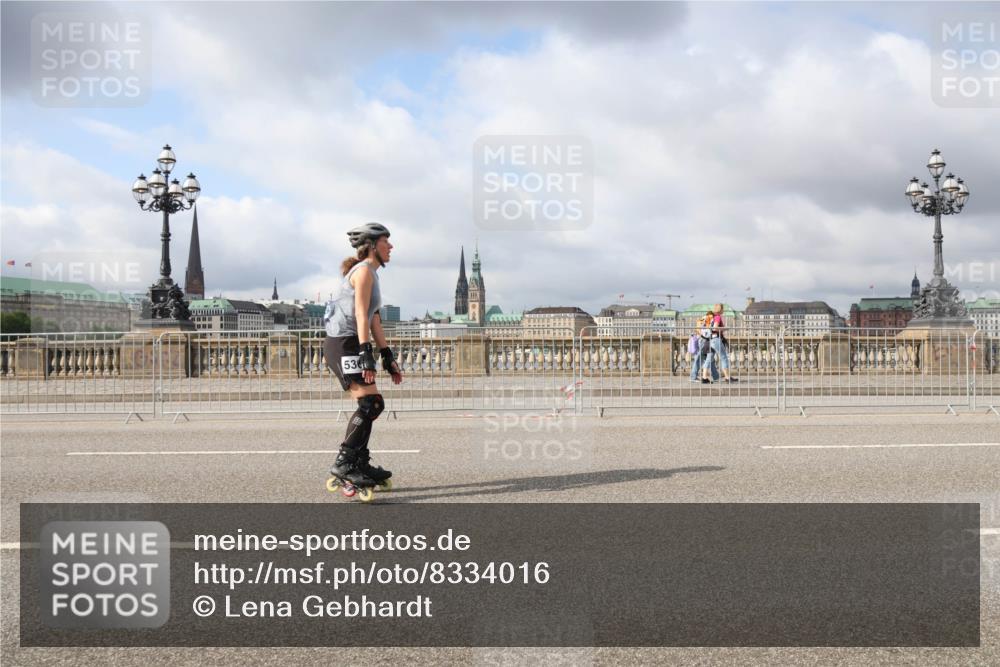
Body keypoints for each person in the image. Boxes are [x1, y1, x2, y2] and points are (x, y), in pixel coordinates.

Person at [324, 222, 403, 498]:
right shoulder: (364, 272)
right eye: (386, 242)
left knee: (373, 405)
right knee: (370, 403)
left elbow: (374, 319)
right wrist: (364, 352)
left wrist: (386, 355)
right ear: (372, 246)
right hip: (344, 343)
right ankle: (345, 463)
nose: (391, 247)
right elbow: (360, 314)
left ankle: (359, 462)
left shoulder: (372, 273)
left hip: (350, 343)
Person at [703, 303, 737, 383]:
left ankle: (704, 378)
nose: (723, 310)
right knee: (724, 357)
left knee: (709, 358)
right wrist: (724, 329)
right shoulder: (717, 317)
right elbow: (715, 328)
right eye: (723, 309)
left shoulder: (711, 317)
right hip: (716, 339)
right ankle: (727, 377)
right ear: (720, 309)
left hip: (710, 339)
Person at [689, 313, 719, 383]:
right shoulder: (707, 320)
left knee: (709, 359)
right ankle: (694, 377)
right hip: (706, 341)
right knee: (702, 359)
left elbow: (699, 329)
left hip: (704, 340)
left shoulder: (702, 320)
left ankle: (716, 376)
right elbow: (708, 332)